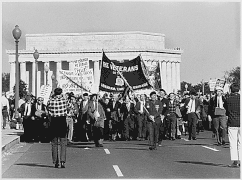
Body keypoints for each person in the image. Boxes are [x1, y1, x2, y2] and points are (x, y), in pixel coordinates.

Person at [47, 88, 68, 168]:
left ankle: (55, 161)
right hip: (62, 122)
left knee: (54, 144)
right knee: (63, 143)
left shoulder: (50, 101)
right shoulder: (64, 101)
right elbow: (70, 107)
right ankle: (62, 161)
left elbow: (48, 109)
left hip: (54, 123)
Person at [225, 83, 240, 167]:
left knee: (233, 143)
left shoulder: (228, 99)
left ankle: (235, 161)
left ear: (231, 90)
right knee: (240, 143)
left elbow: (226, 111)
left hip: (232, 123)